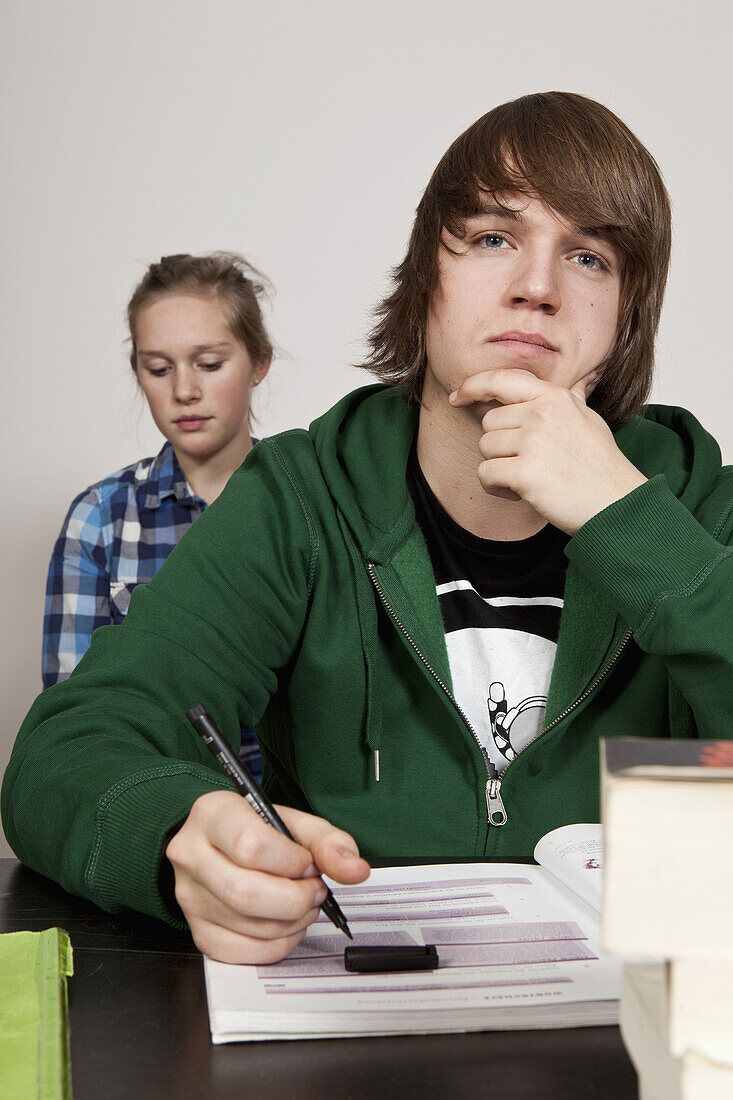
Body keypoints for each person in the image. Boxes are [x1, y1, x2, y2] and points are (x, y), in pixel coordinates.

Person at [5, 92, 733, 968]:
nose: (536, 288)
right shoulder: (299, 498)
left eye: (588, 256)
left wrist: (628, 522)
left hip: (637, 1032)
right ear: (426, 275)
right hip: (360, 1018)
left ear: (624, 316)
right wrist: (177, 838)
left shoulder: (698, 509)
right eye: (494, 237)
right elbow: (67, 750)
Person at [41, 252, 273, 779]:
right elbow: (73, 725)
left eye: (210, 364)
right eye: (159, 368)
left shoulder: (310, 505)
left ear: (258, 362)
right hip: (161, 811)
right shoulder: (99, 520)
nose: (184, 391)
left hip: (299, 820)